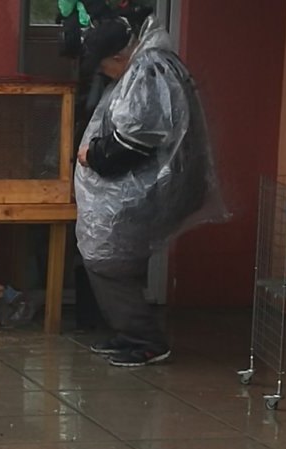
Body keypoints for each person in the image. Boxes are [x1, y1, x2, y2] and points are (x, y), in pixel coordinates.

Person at [74, 10, 225, 367]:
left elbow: (133, 140)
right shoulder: (150, 65)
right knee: (109, 256)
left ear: (117, 58)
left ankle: (146, 340)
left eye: (103, 67)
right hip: (161, 182)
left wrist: (93, 155)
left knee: (106, 255)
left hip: (154, 185)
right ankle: (130, 333)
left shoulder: (147, 72)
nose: (103, 75)